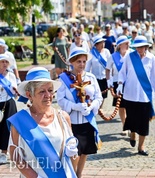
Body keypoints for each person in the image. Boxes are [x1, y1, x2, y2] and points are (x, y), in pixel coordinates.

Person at [7, 67, 78, 177]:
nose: (48, 95)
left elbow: (73, 156)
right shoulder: (19, 121)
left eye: (50, 90)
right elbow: (16, 157)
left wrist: (73, 155)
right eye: (42, 91)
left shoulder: (63, 117)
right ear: (29, 95)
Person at [57, 47, 103, 178]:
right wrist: (75, 106)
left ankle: (79, 174)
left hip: (87, 120)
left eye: (84, 61)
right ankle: (72, 174)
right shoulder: (64, 79)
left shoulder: (91, 78)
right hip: (72, 122)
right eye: (78, 62)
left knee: (85, 151)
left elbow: (98, 97)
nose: (82, 65)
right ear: (72, 62)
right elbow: (60, 100)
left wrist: (92, 106)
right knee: (74, 151)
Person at [117, 35, 155, 156]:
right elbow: (122, 72)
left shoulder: (151, 58)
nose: (139, 50)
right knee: (131, 118)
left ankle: (141, 147)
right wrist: (120, 84)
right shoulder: (129, 57)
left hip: (144, 96)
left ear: (146, 47)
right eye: (136, 47)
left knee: (143, 122)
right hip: (130, 94)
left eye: (141, 47)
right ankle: (132, 133)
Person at [106, 36, 132, 136]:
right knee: (121, 106)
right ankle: (124, 125)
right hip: (117, 83)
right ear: (120, 45)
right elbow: (108, 69)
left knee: (130, 105)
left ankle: (130, 126)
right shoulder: (113, 56)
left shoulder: (131, 54)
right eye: (125, 43)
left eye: (128, 43)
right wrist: (109, 81)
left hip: (129, 82)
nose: (127, 45)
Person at [0, 54, 17, 164]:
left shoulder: (11, 75)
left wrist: (14, 89)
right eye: (2, 62)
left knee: (7, 128)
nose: (5, 64)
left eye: (6, 62)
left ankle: (4, 152)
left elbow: (14, 90)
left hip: (8, 104)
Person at [85, 35, 110, 108]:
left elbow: (110, 65)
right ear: (96, 45)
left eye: (103, 42)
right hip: (95, 78)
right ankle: (96, 108)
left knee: (103, 96)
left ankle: (100, 109)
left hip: (105, 77)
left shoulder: (106, 52)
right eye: (100, 43)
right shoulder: (91, 53)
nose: (103, 44)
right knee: (96, 95)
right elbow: (87, 68)